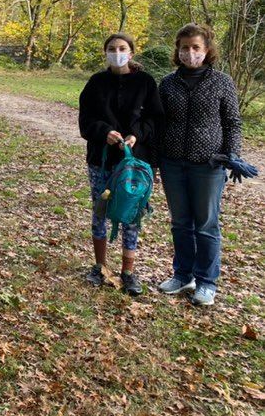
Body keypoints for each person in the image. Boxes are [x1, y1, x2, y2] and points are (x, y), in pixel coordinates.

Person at [157, 24, 245, 307]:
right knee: (181, 223)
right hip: (172, 163)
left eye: (196, 47)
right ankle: (183, 275)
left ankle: (207, 282)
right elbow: (158, 123)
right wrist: (154, 159)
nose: (190, 53)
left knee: (206, 225)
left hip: (208, 165)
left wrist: (231, 155)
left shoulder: (222, 82)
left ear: (207, 50)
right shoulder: (168, 83)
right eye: (185, 47)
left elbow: (232, 122)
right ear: (178, 50)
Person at [78, 33, 163, 296]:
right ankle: (100, 266)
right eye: (112, 49)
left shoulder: (146, 83)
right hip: (101, 160)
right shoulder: (95, 83)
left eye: (122, 48)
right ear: (105, 53)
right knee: (100, 210)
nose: (117, 52)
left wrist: (137, 134)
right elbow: (85, 121)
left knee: (132, 214)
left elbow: (155, 119)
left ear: (132, 53)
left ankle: (128, 271)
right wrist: (104, 131)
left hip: (135, 163)